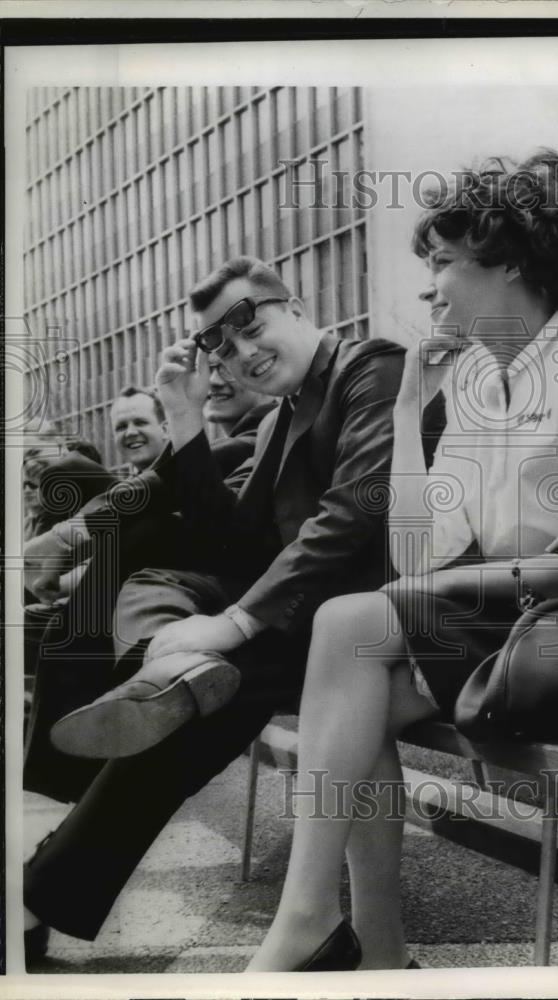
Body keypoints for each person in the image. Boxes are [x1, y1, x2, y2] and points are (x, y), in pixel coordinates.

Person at [245, 150, 558, 971]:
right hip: (533, 626)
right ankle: (364, 949)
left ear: (509, 259)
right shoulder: (485, 382)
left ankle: (320, 929)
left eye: (444, 262)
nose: (432, 287)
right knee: (356, 674)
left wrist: (427, 592)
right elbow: (420, 550)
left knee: (350, 632)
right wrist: (414, 409)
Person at [23, 256, 444, 969]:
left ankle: (44, 881)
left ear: (297, 305)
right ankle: (166, 673)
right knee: (158, 578)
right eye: (219, 345)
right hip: (314, 623)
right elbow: (228, 535)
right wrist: (184, 412)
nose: (242, 353)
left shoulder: (373, 368)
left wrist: (236, 622)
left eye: (252, 325)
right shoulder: (282, 415)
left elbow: (351, 516)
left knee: (194, 692)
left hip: (381, 622)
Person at [22, 369, 277, 805]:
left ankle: (61, 770)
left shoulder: (273, 420)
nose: (214, 377)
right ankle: (65, 763)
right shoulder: (216, 443)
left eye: (228, 359)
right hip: (164, 582)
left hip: (246, 594)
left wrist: (68, 538)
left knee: (93, 492)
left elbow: (179, 488)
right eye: (120, 425)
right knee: (49, 618)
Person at [110, 386, 169, 472]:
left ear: (165, 429)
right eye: (121, 427)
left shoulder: (190, 478)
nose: (130, 432)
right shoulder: (126, 485)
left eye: (140, 423)